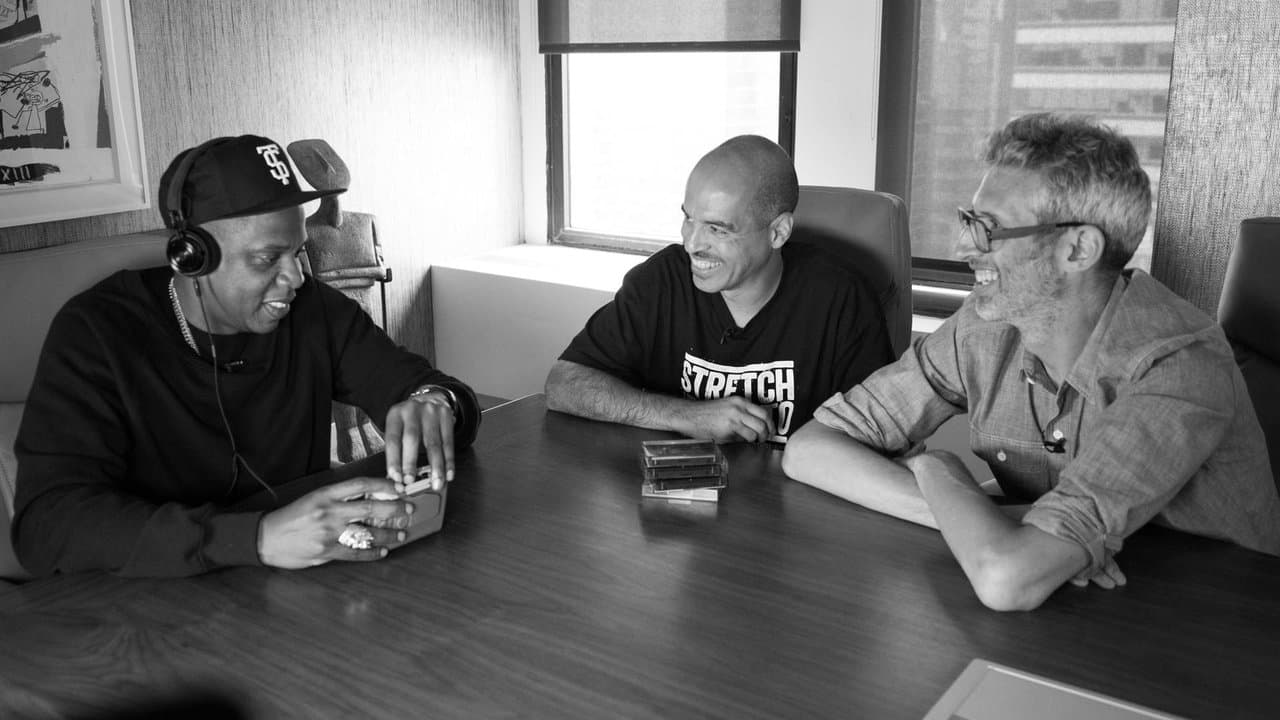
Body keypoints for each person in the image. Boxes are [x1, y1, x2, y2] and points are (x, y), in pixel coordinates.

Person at [782, 113, 1280, 611]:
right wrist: (965, 514)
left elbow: (1007, 580)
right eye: (969, 221)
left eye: (989, 229)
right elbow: (809, 448)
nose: (962, 246)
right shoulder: (985, 325)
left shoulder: (1179, 363)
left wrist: (938, 469)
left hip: (1213, 622)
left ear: (1078, 249)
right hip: (1072, 608)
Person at [11, 134, 480, 577]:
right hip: (154, 603)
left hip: (296, 588)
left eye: (298, 252)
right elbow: (46, 525)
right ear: (192, 257)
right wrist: (255, 538)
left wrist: (435, 402)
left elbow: (443, 395)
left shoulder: (311, 310)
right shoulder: (97, 332)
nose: (296, 277)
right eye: (267, 258)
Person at [545, 135, 893, 442]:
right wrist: (685, 416)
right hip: (674, 493)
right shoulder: (662, 281)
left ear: (778, 232)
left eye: (717, 229)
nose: (691, 244)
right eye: (688, 218)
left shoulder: (841, 300)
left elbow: (883, 433)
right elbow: (563, 384)